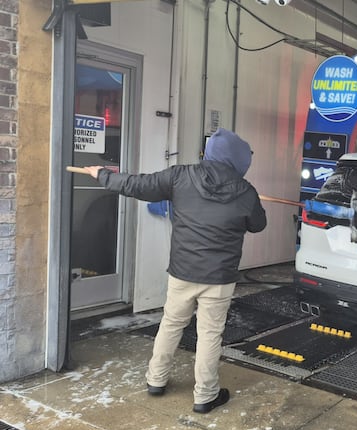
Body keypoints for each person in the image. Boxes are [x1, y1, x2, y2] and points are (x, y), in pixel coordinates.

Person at [84, 128, 267, 414]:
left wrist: (103, 175)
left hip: (183, 272)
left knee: (171, 324)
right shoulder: (245, 192)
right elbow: (258, 225)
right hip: (219, 278)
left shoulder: (181, 176)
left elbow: (138, 185)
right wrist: (251, 204)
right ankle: (205, 396)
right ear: (238, 160)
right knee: (209, 334)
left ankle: (156, 380)